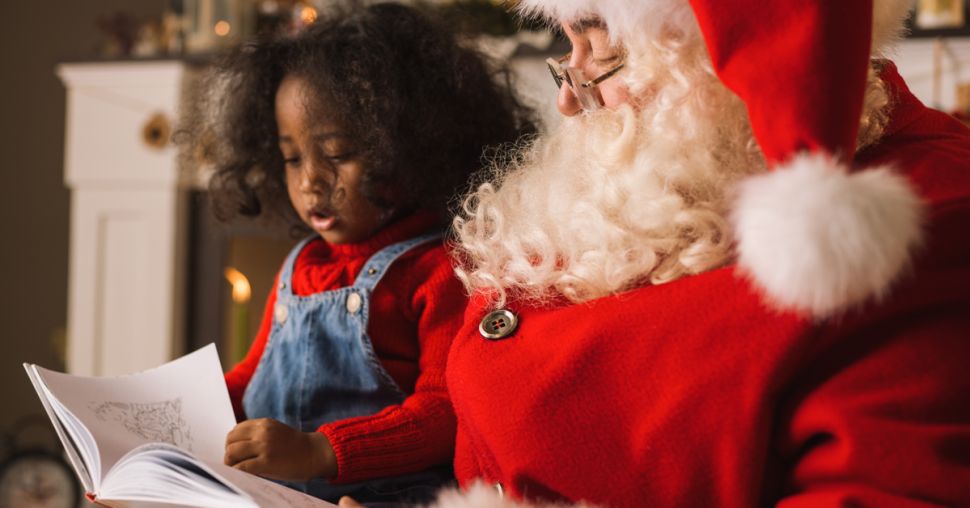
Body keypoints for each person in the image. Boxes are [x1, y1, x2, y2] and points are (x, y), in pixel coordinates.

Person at [437, 0, 970, 506]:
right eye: (569, 51)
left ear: (726, 53)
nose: (569, 100)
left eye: (603, 54)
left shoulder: (925, 228)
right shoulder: (692, 171)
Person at [189, 3, 536, 504]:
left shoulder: (438, 273)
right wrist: (185, 414)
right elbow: (253, 376)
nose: (310, 181)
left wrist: (320, 451)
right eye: (291, 158)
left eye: (337, 155)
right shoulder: (301, 267)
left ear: (410, 146)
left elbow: (445, 412)